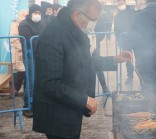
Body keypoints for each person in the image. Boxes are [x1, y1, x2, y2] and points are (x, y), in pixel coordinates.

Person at [32, 0, 132, 138]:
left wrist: (114, 59)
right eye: (92, 20)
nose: (93, 25)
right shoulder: (53, 36)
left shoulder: (73, 29)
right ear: (77, 14)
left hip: (71, 108)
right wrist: (84, 100)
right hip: (57, 116)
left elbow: (85, 62)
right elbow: (50, 83)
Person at [126, 0, 156, 108]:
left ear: (146, 2)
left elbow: (132, 35)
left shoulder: (137, 15)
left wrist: (132, 50)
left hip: (143, 56)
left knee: (146, 80)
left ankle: (148, 104)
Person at [18, 4, 44, 118]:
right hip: (29, 56)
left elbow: (45, 35)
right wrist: (43, 42)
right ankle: (27, 106)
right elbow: (30, 40)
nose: (38, 15)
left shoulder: (41, 23)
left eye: (39, 12)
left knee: (38, 80)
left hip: (40, 55)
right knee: (30, 82)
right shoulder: (24, 24)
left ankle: (37, 104)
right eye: (36, 12)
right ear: (31, 13)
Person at [114, 0, 135, 85]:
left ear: (125, 3)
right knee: (128, 59)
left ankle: (144, 76)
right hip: (125, 40)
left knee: (141, 58)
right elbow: (116, 29)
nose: (121, 5)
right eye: (119, 4)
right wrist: (119, 40)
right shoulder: (117, 15)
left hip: (135, 38)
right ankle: (130, 77)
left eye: (122, 3)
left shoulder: (132, 12)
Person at [10, 10, 28, 95]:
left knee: (25, 71)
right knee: (22, 71)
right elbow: (13, 39)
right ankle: (15, 90)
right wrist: (21, 48)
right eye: (25, 15)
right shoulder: (15, 24)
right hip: (19, 52)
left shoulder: (26, 24)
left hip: (25, 51)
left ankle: (25, 91)